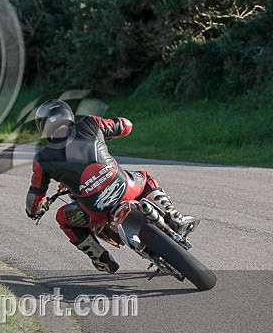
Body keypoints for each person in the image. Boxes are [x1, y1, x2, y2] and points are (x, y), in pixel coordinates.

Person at [25, 99, 197, 273]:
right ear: (68, 115)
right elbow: (126, 125)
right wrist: (108, 132)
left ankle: (100, 258)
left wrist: (35, 211)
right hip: (127, 189)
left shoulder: (42, 159)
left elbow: (33, 201)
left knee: (63, 218)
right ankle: (174, 215)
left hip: (94, 212)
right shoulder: (91, 124)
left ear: (43, 126)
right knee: (145, 177)